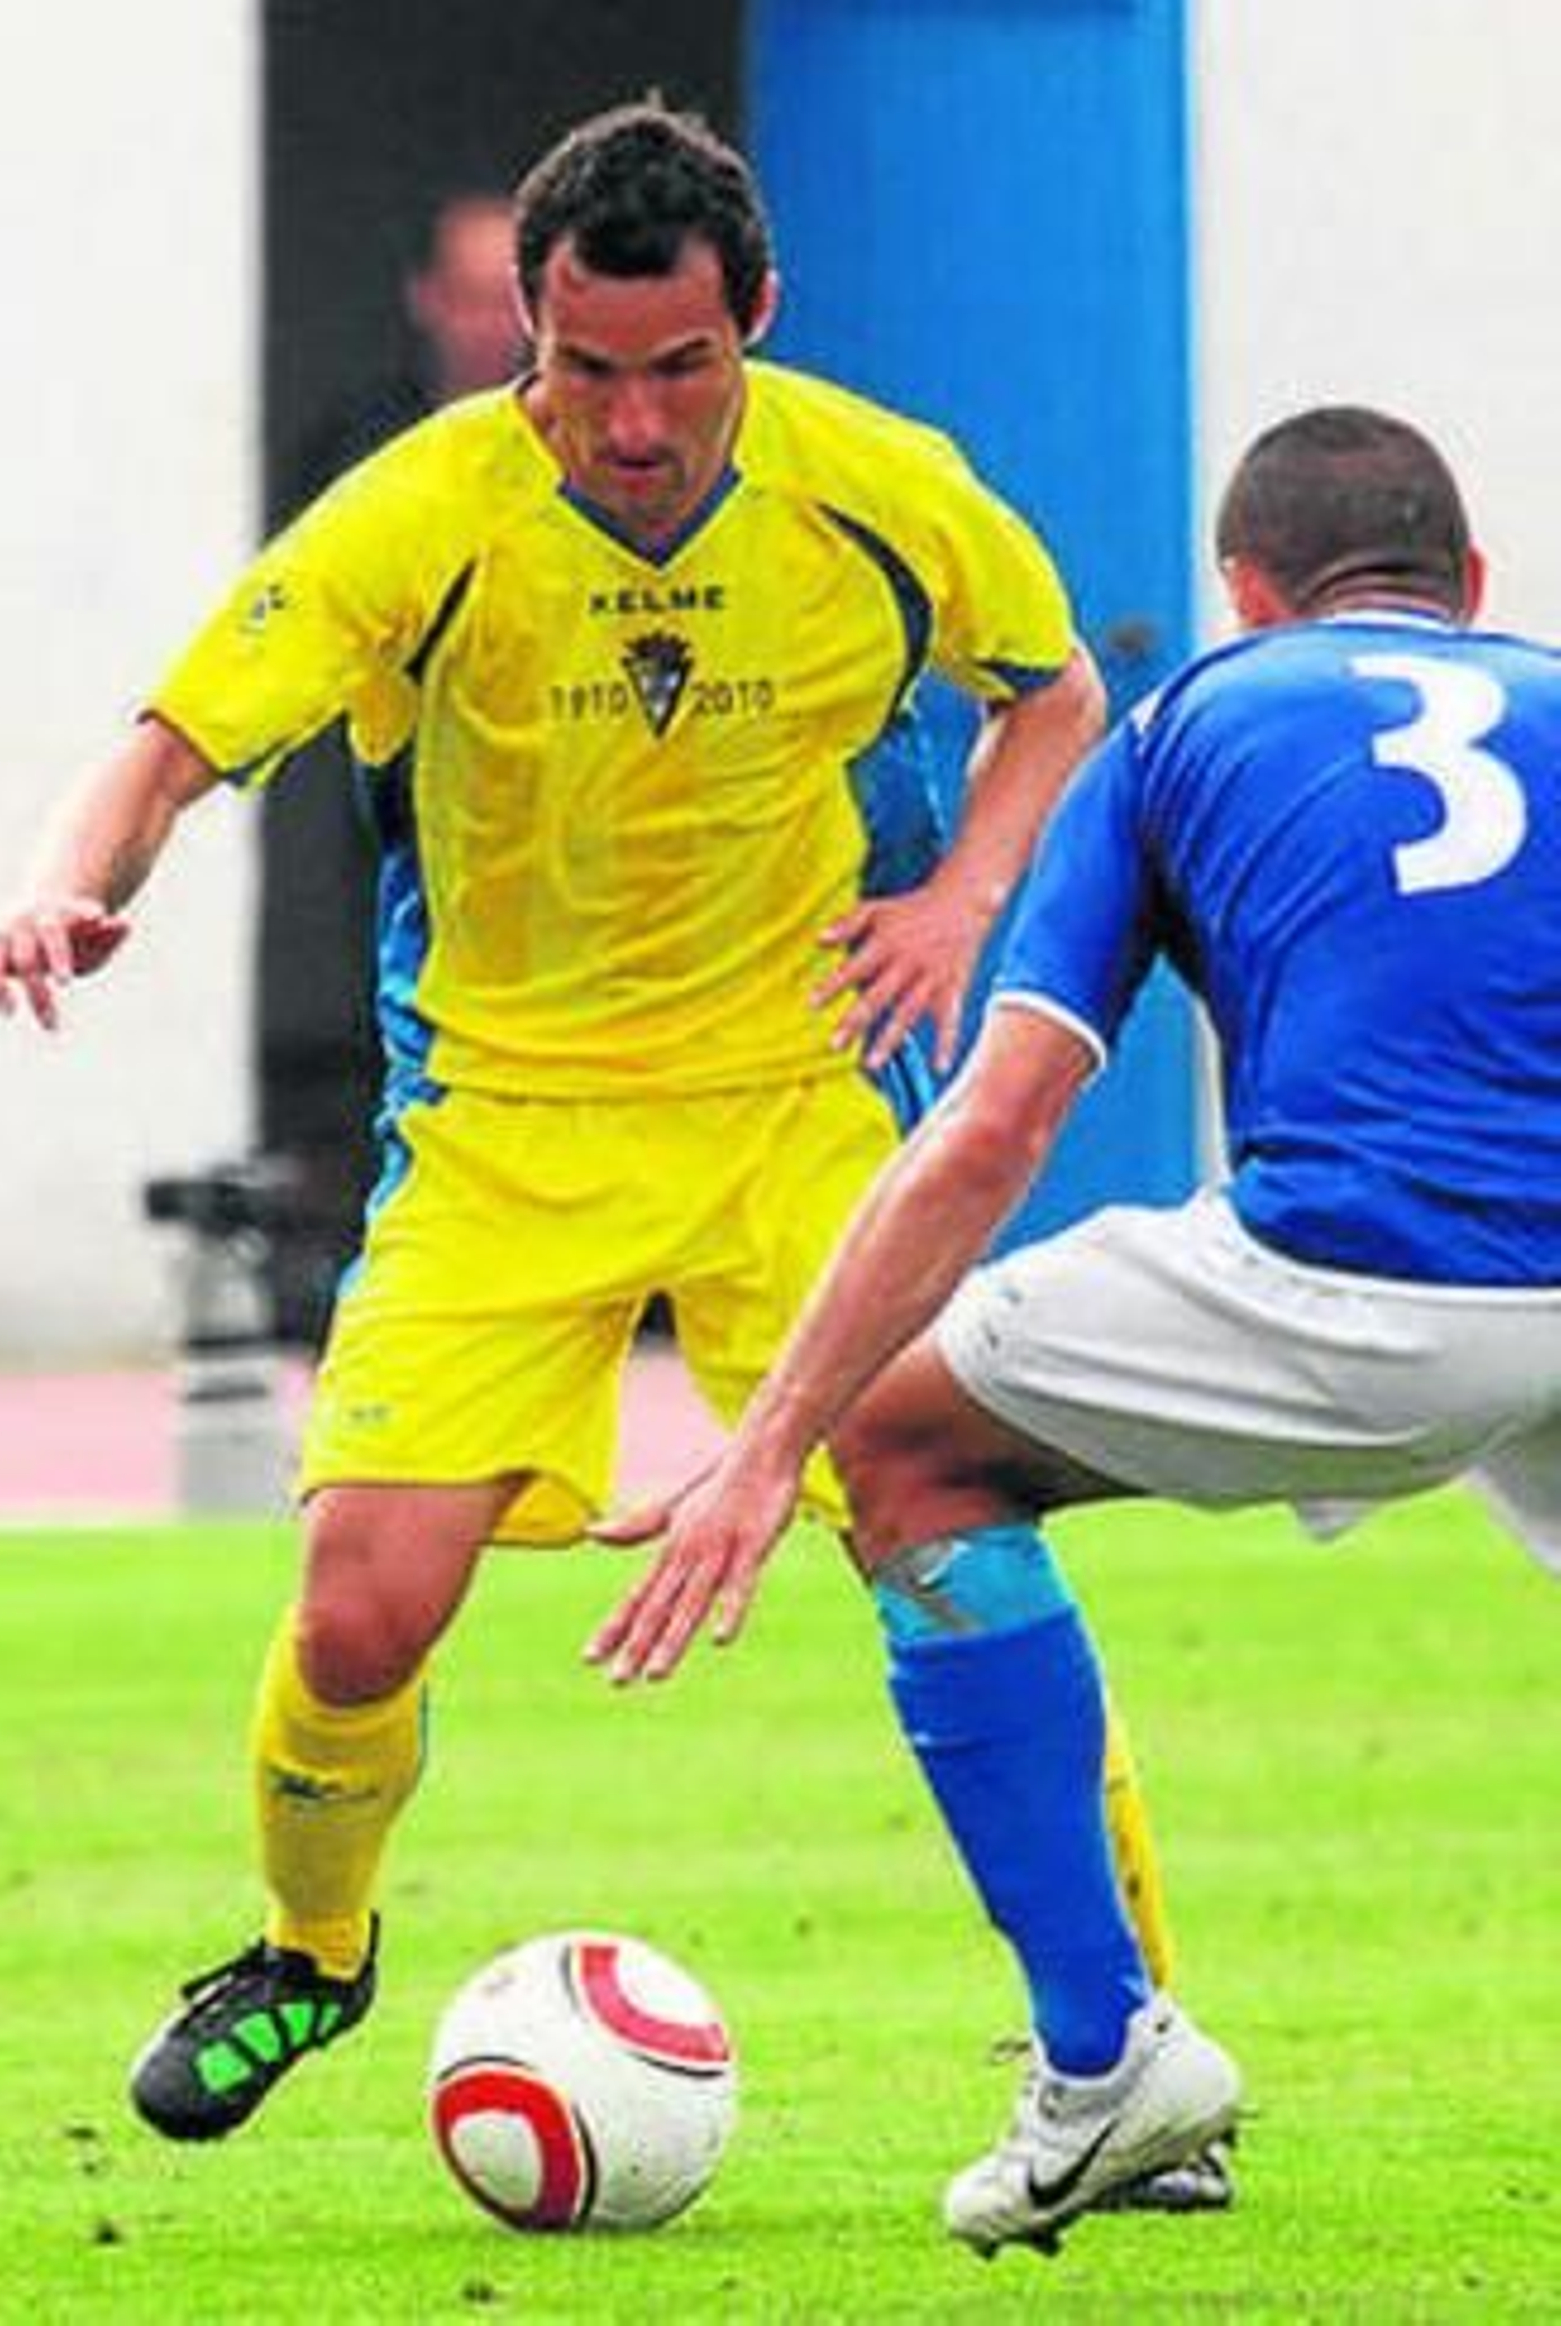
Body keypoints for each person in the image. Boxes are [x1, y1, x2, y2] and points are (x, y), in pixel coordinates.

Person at [0, 102, 1201, 2187]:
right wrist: (60, 877)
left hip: (791, 1105)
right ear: (526, 332)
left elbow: (1054, 686)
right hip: (500, 1128)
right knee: (361, 1605)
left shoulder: (877, 491)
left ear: (756, 326)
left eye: (676, 368)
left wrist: (956, 899)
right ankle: (310, 1942)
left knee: (944, 1527)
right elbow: (172, 740)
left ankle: (1125, 2054)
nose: (627, 423)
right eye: (579, 367)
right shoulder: (423, 511)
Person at [591, 401, 1561, 2254]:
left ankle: (1107, 2060)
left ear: (1246, 592)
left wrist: (772, 1439)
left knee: (909, 1444)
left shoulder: (1191, 718)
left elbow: (996, 1125)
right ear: (1476, 585)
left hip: (1363, 1281)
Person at [261, 190, 529, 1344]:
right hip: (407, 812)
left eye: (514, 297)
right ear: (428, 302)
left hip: (560, 811)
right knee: (408, 1035)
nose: (494, 324)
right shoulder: (364, 449)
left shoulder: (603, 449)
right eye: (472, 295)